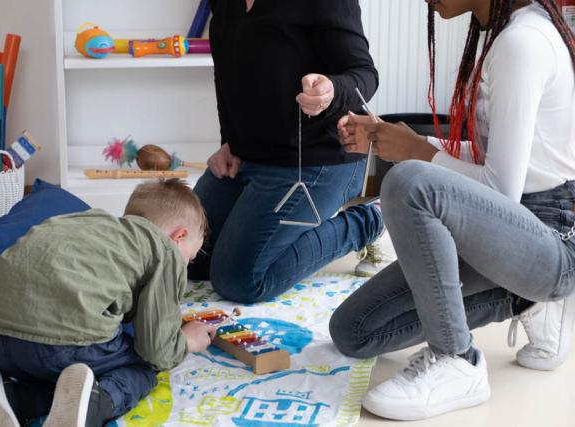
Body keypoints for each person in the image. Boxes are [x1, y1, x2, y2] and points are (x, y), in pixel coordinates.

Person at [330, 0, 575, 420]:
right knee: (354, 330)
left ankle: (457, 360)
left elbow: (502, 190)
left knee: (408, 181)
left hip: (551, 241)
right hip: (509, 233)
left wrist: (419, 154)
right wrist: (401, 140)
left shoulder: (523, 42)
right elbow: (499, 161)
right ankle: (523, 301)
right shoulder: (506, 34)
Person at [0, 180, 215, 427]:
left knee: (72, 374)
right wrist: (186, 341)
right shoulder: (165, 250)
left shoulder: (90, 223)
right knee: (145, 366)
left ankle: (15, 399)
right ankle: (94, 407)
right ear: (179, 237)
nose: (185, 265)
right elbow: (157, 350)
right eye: (190, 259)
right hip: (54, 347)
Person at [189, 0, 384, 303]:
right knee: (188, 258)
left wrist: (331, 90)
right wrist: (228, 141)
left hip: (319, 158)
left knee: (239, 280)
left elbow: (364, 74)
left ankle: (365, 222)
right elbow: (226, 74)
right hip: (249, 156)